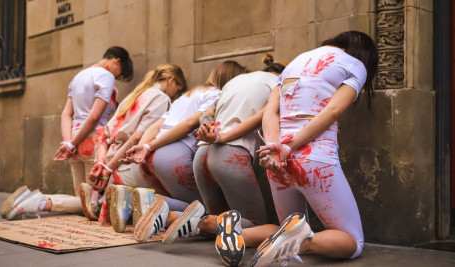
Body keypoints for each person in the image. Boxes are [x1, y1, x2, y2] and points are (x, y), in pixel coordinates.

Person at [239, 31, 378, 266]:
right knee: (352, 241)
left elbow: (271, 112)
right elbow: (333, 111)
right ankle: (299, 243)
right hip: (315, 161)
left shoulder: (293, 63)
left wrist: (276, 147)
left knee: (289, 226)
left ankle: (238, 236)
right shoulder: (355, 64)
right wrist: (288, 147)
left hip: (277, 162)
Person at [136, 55, 284, 260]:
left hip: (203, 154)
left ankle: (169, 216)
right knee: (259, 226)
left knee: (222, 220)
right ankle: (200, 220)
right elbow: (264, 116)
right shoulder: (278, 84)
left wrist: (211, 134)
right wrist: (226, 137)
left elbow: (206, 115)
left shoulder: (233, 83)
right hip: (231, 154)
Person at [0, 46, 133, 220]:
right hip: (94, 139)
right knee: (93, 204)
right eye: (119, 72)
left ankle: (33, 200)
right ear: (117, 60)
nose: (116, 76)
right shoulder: (106, 76)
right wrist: (72, 142)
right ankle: (37, 202)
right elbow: (94, 116)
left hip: (75, 137)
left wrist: (68, 142)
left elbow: (66, 114)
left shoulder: (78, 77)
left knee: (82, 200)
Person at [123, 61, 248, 242]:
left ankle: (136, 200)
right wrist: (149, 147)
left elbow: (157, 125)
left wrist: (144, 147)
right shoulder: (216, 94)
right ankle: (151, 202)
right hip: (173, 155)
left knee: (192, 205)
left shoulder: (186, 95)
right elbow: (190, 124)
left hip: (152, 155)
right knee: (204, 209)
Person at [82, 64, 187, 231]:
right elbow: (138, 137)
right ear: (172, 81)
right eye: (178, 90)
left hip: (112, 162)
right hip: (124, 166)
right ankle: (124, 201)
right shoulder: (161, 98)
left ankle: (100, 200)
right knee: (168, 197)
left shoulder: (134, 95)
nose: (176, 95)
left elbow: (107, 135)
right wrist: (109, 168)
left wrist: (103, 165)